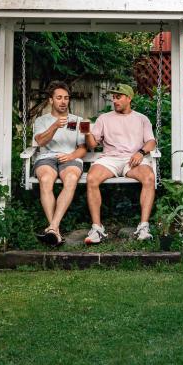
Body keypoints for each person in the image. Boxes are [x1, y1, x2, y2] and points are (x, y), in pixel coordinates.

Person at [84, 83, 156, 244]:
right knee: (92, 178)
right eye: (113, 97)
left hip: (133, 159)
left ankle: (143, 227)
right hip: (110, 159)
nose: (114, 101)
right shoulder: (104, 118)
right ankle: (97, 229)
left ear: (129, 98)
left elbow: (151, 142)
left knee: (149, 178)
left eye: (118, 97)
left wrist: (141, 152)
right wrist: (88, 133)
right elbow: (92, 144)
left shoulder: (141, 119)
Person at [31, 81, 86, 246]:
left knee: (71, 178)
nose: (63, 101)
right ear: (51, 100)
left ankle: (53, 228)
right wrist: (54, 126)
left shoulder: (78, 120)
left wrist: (71, 156)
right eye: (59, 98)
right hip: (46, 157)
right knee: (46, 179)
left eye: (66, 98)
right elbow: (40, 141)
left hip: (70, 157)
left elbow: (83, 148)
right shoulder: (41, 121)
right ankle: (54, 229)